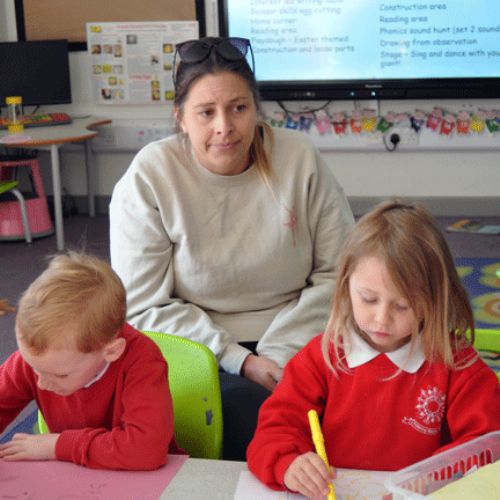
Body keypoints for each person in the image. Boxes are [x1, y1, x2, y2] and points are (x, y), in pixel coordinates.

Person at [109, 37, 354, 460]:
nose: (225, 127)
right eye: (206, 113)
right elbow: (142, 304)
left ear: (256, 109)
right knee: (251, 417)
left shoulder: (299, 157)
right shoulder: (150, 175)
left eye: (239, 108)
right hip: (197, 346)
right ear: (181, 118)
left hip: (302, 331)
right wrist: (238, 359)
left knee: (371, 403)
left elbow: (342, 273)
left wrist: (280, 355)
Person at [247, 199, 500, 498]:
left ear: (435, 298)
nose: (382, 319)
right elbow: (273, 432)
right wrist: (289, 463)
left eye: (402, 305)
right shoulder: (319, 359)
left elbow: (488, 444)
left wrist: (426, 481)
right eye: (368, 299)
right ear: (345, 285)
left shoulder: (456, 365)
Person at [0, 252, 182, 470]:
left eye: (60, 375)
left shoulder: (141, 361)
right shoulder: (42, 356)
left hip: (151, 478)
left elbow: (146, 450)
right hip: (78, 474)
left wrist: (58, 445)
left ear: (111, 351)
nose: (41, 383)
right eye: (34, 367)